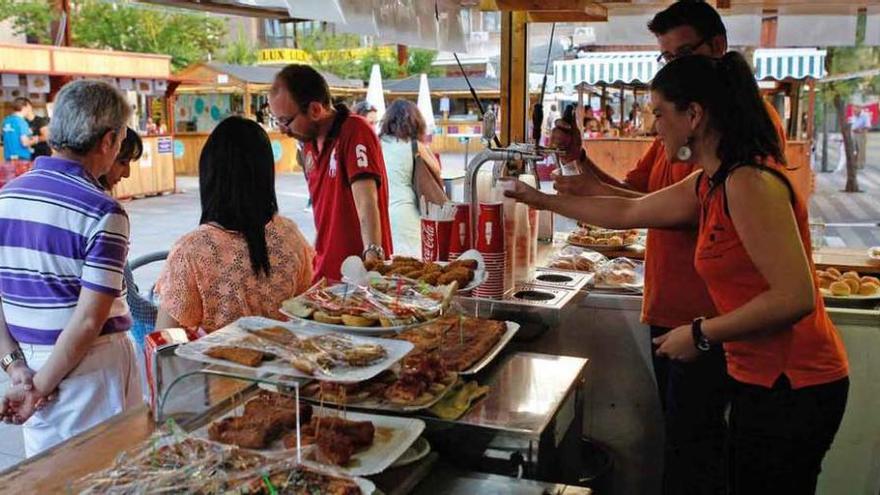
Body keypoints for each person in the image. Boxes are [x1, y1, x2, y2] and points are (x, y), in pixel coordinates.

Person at [508, 52, 849, 495]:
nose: (654, 126)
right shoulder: (710, 180)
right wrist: (542, 201)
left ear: (694, 115)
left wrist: (702, 332)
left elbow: (795, 296)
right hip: (755, 373)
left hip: (794, 381)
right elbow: (630, 208)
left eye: (659, 113)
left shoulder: (748, 182)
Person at [552, 2, 789, 493]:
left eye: (684, 54)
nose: (675, 69)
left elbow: (659, 210)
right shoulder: (680, 126)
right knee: (686, 448)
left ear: (718, 49)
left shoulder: (740, 135)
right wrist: (580, 165)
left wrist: (703, 334)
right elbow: (639, 199)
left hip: (711, 319)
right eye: (666, 59)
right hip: (673, 310)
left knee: (697, 459)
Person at [0, 80, 142, 455]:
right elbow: (86, 321)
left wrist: (17, 370)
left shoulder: (7, 197)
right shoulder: (103, 210)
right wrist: (39, 388)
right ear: (110, 140)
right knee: (108, 474)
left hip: (31, 365)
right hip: (90, 372)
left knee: (50, 477)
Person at [154, 117, 314, 333]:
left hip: (213, 367)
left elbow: (164, 341)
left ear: (210, 175)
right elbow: (308, 309)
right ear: (266, 174)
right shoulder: (290, 235)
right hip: (285, 363)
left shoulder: (191, 252)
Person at [269, 64, 392, 281]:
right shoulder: (307, 145)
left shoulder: (355, 130)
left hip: (361, 276)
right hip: (325, 273)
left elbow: (367, 202)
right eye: (276, 120)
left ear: (315, 110)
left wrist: (373, 260)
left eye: (286, 121)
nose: (282, 130)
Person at [379, 99, 442, 256]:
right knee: (412, 269)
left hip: (380, 214)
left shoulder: (377, 143)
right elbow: (436, 170)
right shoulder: (415, 145)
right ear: (417, 122)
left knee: (387, 269)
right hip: (406, 214)